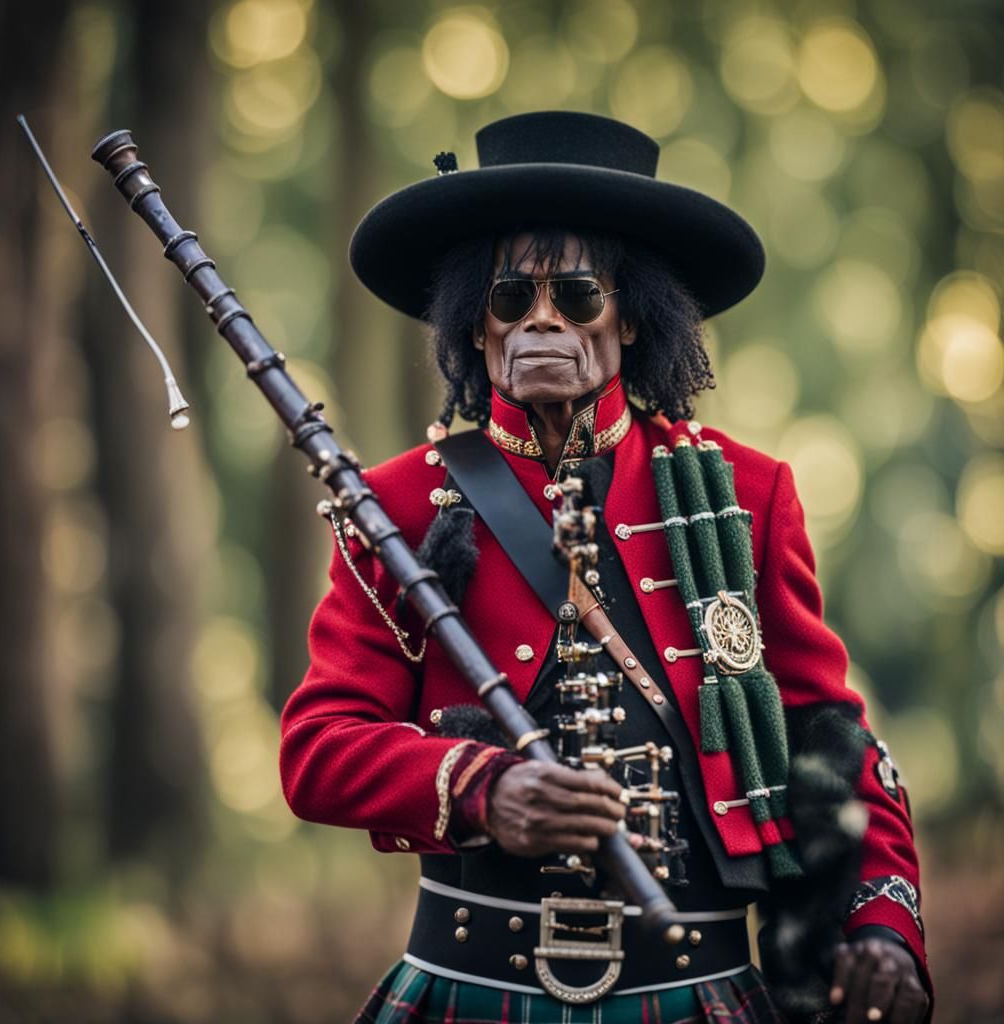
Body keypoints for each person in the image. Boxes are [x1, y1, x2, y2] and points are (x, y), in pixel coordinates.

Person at [279, 111, 930, 1023]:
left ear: (631, 318)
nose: (542, 318)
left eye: (579, 294)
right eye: (511, 295)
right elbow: (317, 748)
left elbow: (827, 738)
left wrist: (882, 925)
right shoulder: (391, 504)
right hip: (472, 990)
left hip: (695, 992)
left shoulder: (748, 494)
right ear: (475, 324)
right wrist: (480, 786)